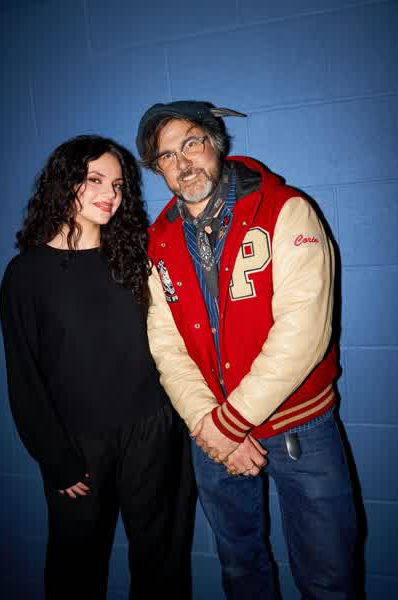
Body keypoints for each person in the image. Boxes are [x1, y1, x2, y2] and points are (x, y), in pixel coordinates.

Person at [137, 101, 358, 599]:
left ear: (215, 144)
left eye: (191, 144)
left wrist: (230, 422)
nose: (183, 163)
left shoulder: (286, 210)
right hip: (212, 430)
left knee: (329, 576)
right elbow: (166, 343)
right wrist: (210, 423)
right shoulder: (159, 242)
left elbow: (304, 329)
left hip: (298, 425)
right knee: (240, 570)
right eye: (167, 156)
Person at [0, 135, 195, 599]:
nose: (110, 193)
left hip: (153, 432)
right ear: (65, 183)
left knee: (162, 561)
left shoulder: (135, 258)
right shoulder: (26, 274)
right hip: (78, 445)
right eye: (95, 180)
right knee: (75, 567)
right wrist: (56, 459)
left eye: (119, 185)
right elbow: (24, 377)